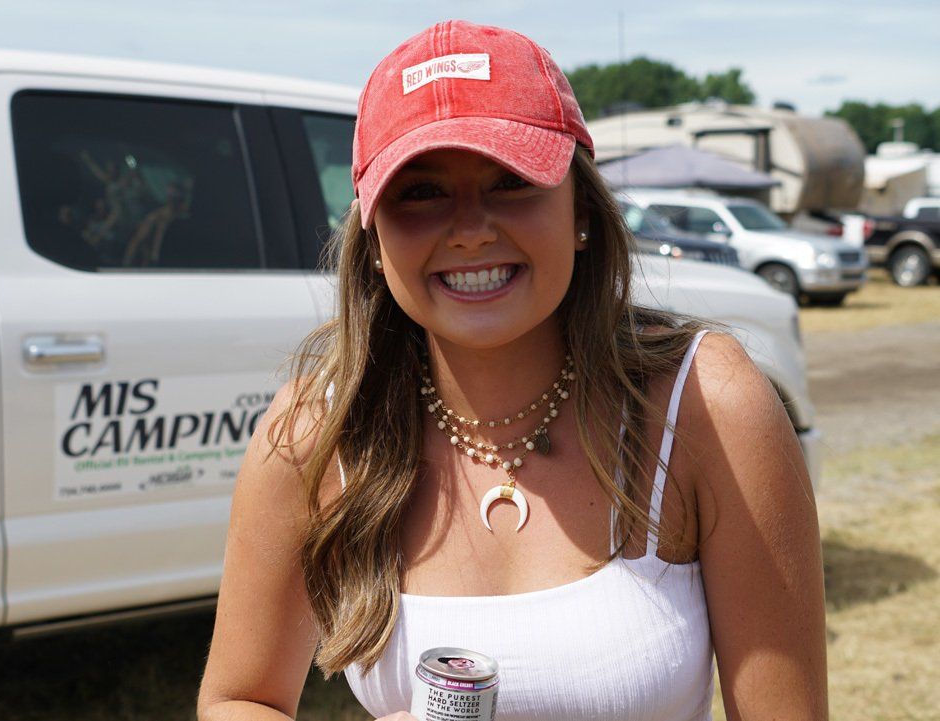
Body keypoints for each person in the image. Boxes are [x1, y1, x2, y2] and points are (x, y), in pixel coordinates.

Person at [197, 20, 827, 721]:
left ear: (582, 209)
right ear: (372, 238)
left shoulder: (707, 403)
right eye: (421, 192)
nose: (471, 228)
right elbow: (239, 697)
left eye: (511, 181)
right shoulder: (317, 428)